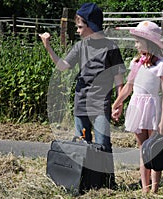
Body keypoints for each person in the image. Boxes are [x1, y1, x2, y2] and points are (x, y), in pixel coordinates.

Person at [40, 2, 126, 188]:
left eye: (80, 26)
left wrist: (118, 104)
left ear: (91, 25)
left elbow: (119, 80)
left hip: (101, 103)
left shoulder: (111, 47)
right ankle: (84, 183)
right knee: (82, 145)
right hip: (81, 101)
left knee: (103, 145)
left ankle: (108, 184)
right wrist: (48, 46)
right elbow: (62, 67)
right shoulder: (80, 47)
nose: (77, 31)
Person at [111, 21, 163, 193]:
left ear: (149, 42)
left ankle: (154, 189)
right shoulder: (136, 63)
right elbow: (129, 87)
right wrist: (117, 104)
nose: (136, 44)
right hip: (137, 107)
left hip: (152, 108)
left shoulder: (161, 65)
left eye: (138, 41)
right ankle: (145, 189)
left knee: (154, 150)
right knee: (142, 149)